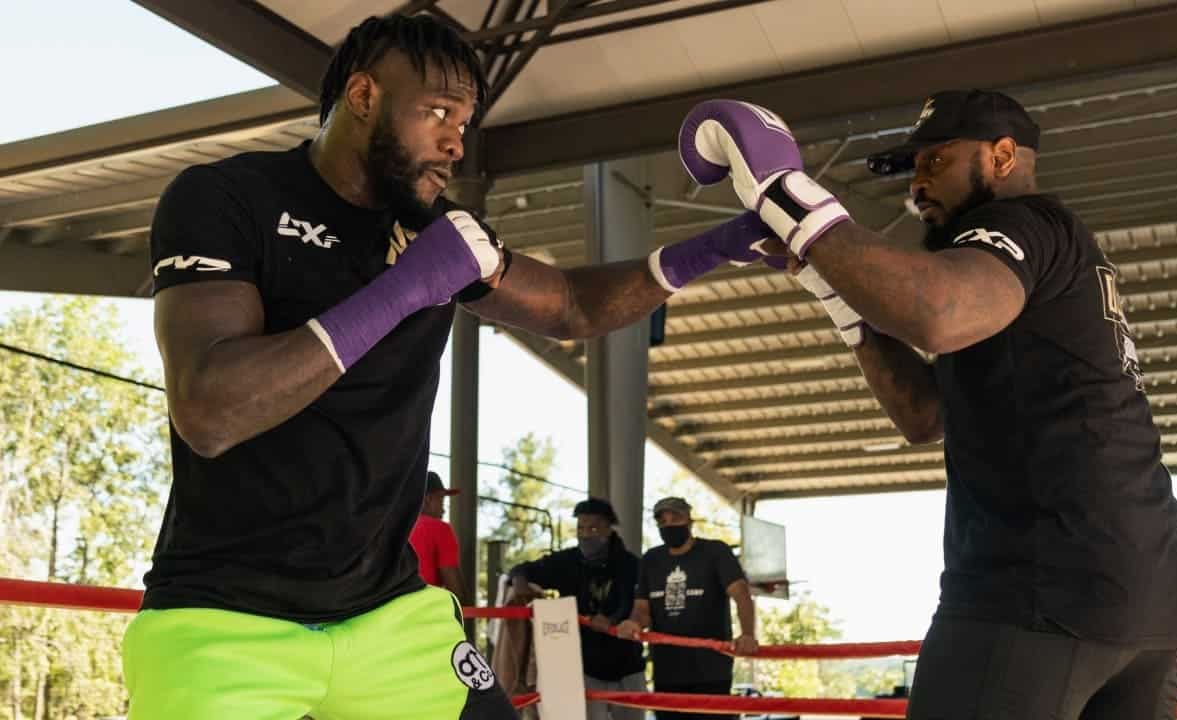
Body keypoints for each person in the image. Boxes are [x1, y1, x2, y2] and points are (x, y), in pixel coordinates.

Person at [126, 13, 786, 720]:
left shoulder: (439, 232)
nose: (454, 140)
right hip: (225, 620)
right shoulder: (228, 198)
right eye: (437, 111)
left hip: (388, 617)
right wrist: (403, 288)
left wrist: (717, 247)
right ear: (363, 96)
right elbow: (209, 409)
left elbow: (567, 303)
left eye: (465, 121)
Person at [677, 92, 1177, 719]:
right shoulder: (1011, 274)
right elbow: (922, 415)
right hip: (1144, 595)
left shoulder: (1019, 224)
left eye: (937, 161)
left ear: (1002, 157)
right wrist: (835, 290)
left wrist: (788, 198)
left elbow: (936, 316)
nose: (918, 182)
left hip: (1040, 585)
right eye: (913, 167)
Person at [617, 497, 757, 720]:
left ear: (689, 521)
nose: (669, 525)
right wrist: (633, 622)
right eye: (663, 521)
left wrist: (748, 634)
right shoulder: (651, 559)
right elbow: (642, 608)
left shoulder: (715, 552)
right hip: (667, 672)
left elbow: (741, 595)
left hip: (711, 672)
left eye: (676, 518)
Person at [509, 497, 645, 720]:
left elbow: (634, 603)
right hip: (584, 667)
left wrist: (612, 620)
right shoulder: (567, 562)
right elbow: (522, 569)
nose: (586, 534)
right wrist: (520, 583)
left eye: (593, 527)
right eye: (581, 528)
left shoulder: (630, 564)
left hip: (628, 667)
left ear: (609, 529)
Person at [409, 471, 464, 598]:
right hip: (423, 612)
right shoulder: (439, 529)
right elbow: (455, 590)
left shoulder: (389, 526)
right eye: (441, 500)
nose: (443, 510)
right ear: (427, 500)